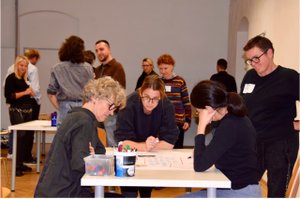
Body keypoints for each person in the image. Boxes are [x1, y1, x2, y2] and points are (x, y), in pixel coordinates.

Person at [34, 77, 126, 197]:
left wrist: (92, 158)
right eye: (111, 106)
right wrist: (93, 160)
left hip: (64, 190)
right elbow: (81, 164)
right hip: (64, 193)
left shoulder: (83, 118)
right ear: (95, 97)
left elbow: (100, 150)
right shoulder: (83, 122)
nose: (111, 113)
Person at [240, 35, 299, 197]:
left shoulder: (289, 77)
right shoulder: (249, 77)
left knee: (276, 192)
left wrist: (297, 124)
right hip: (254, 143)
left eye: (256, 58)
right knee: (245, 186)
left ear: (270, 53)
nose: (253, 63)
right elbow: (243, 108)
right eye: (249, 60)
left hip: (280, 145)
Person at [180, 80, 260, 198]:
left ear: (208, 108)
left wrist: (201, 127)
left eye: (198, 111)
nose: (197, 114)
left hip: (240, 192)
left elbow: (199, 166)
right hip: (233, 187)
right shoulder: (233, 119)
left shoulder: (230, 125)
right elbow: (216, 151)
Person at [114, 75, 179, 198]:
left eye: (155, 99)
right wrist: (145, 146)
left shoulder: (166, 104)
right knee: (129, 193)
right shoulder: (128, 104)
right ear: (140, 92)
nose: (150, 102)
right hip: (129, 156)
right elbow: (122, 142)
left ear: (161, 96)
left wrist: (148, 146)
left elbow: (169, 142)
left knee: (146, 192)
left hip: (151, 156)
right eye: (146, 97)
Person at [47, 35, 94, 126]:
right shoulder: (88, 68)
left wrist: (59, 107)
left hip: (65, 105)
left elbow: (51, 93)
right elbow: (92, 91)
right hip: (83, 106)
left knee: (64, 137)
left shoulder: (57, 68)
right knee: (82, 134)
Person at [4, 49, 41, 163]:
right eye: (21, 65)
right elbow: (9, 96)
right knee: (20, 136)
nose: (23, 68)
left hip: (26, 111)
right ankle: (17, 164)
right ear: (16, 65)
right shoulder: (11, 77)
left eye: (25, 66)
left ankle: (22, 162)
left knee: (24, 137)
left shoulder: (25, 79)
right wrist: (25, 92)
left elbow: (33, 92)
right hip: (17, 110)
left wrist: (30, 92)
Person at [94, 40, 126, 147]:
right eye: (97, 50)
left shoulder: (117, 67)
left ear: (109, 50)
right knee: (101, 144)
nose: (99, 52)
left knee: (113, 143)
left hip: (112, 114)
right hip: (98, 112)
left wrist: (111, 109)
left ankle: (116, 163)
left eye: (102, 49)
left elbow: (118, 92)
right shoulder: (97, 69)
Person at [157, 54, 191, 149]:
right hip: (162, 121)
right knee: (162, 149)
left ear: (172, 66)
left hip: (178, 121)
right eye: (160, 68)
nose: (163, 71)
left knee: (177, 148)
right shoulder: (158, 82)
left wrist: (188, 119)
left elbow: (186, 101)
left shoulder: (180, 81)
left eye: (165, 68)